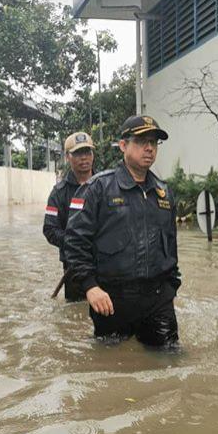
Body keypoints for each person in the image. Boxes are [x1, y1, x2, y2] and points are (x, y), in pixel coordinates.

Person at [64, 115, 180, 348]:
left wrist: (172, 287)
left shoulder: (164, 193)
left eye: (154, 142)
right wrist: (90, 287)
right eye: (141, 141)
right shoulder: (98, 188)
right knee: (110, 370)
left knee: (170, 364)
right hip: (111, 301)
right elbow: (74, 241)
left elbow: (171, 245)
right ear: (124, 145)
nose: (149, 148)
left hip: (157, 300)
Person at [43, 132, 95, 301]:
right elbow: (50, 230)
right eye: (78, 153)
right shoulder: (58, 193)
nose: (84, 158)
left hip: (106, 263)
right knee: (76, 313)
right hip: (74, 267)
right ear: (67, 157)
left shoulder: (106, 185)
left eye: (87, 152)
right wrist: (74, 242)